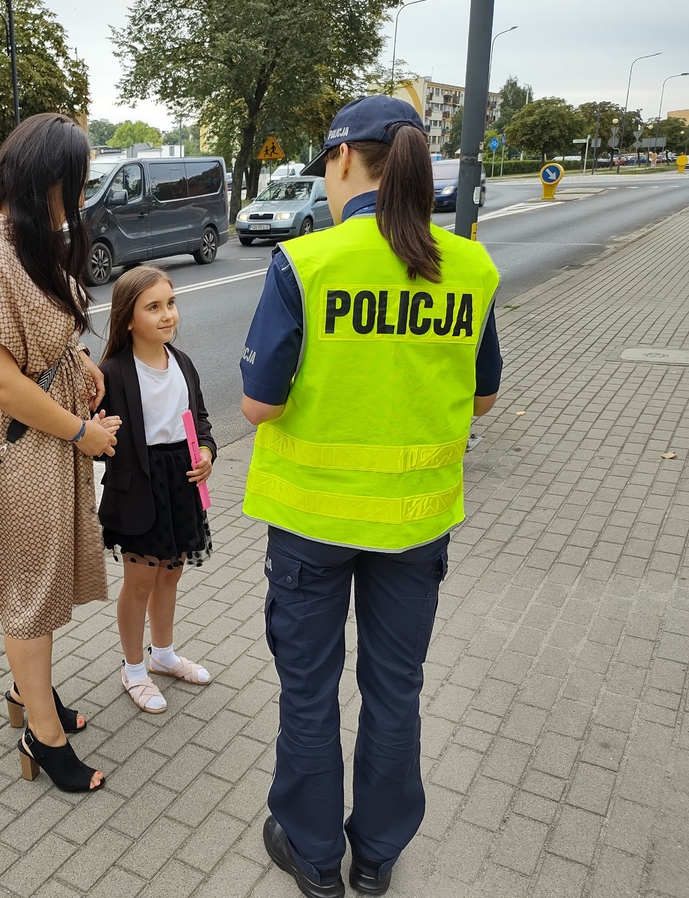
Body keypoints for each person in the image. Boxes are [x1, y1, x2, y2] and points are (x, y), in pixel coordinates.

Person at [240, 96, 502, 898]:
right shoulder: (470, 267)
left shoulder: (308, 262)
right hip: (416, 525)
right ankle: (378, 857)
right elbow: (484, 398)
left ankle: (316, 858)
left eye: (324, 162)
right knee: (396, 691)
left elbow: (260, 404)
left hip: (313, 523)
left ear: (345, 160)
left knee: (310, 690)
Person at [0, 113, 122, 794]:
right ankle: (40, 736)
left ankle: (28, 693)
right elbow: (0, 380)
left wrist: (77, 358)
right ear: (47, 177)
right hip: (17, 451)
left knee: (39, 586)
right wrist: (82, 432)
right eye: (74, 181)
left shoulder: (24, 237)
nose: (78, 196)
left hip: (42, 440)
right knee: (29, 596)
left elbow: (37, 334)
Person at [97, 266, 216, 714]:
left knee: (172, 572)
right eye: (154, 307)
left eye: (171, 303)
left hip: (180, 483)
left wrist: (206, 452)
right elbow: (94, 441)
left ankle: (163, 655)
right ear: (128, 318)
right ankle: (133, 668)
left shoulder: (181, 362)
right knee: (140, 582)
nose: (168, 315)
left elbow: (200, 419)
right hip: (138, 490)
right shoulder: (111, 372)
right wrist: (98, 432)